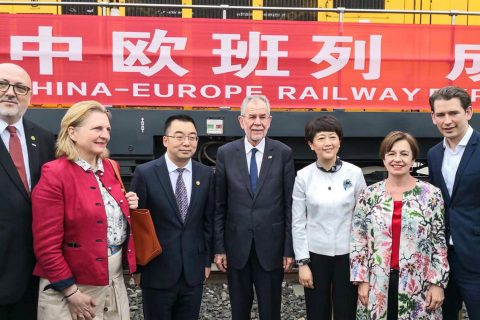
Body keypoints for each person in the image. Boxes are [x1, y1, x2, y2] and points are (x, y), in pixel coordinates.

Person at [31, 101, 138, 320]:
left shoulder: (111, 167)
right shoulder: (55, 173)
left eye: (107, 129)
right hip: (73, 288)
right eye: (97, 128)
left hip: (113, 281)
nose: (105, 135)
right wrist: (71, 291)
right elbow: (45, 244)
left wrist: (128, 203)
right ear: (73, 132)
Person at [350, 131, 449, 320]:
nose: (398, 159)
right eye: (391, 153)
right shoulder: (369, 195)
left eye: (404, 154)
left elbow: (438, 241)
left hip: (419, 283)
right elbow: (358, 239)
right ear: (384, 158)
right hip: (377, 282)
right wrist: (361, 280)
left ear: (413, 159)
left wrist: (438, 283)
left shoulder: (430, 195)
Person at [214, 95, 295, 320]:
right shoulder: (226, 153)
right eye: (252, 117)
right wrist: (219, 247)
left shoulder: (283, 153)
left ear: (269, 120)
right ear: (241, 121)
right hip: (236, 247)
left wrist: (289, 248)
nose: (257, 122)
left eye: (262, 117)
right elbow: (219, 205)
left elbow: (290, 204)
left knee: (271, 311)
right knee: (239, 312)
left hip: (271, 247)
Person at [130, 114, 214, 320]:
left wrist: (206, 261)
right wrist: (137, 267)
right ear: (165, 140)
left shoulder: (206, 174)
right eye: (179, 136)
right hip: (156, 270)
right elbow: (138, 224)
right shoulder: (145, 173)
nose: (187, 142)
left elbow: (208, 221)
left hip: (192, 273)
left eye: (193, 137)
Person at [292, 115, 366, 320]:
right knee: (317, 312)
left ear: (340, 141)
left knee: (346, 312)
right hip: (316, 255)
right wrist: (303, 263)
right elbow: (297, 222)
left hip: (348, 255)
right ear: (311, 144)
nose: (327, 143)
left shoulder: (355, 173)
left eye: (332, 137)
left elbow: (364, 219)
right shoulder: (303, 176)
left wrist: (362, 263)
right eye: (321, 138)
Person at [0, 63, 55, 320]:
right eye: (3, 84)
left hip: (35, 274)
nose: (11, 92)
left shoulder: (44, 139)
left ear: (30, 96)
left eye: (20, 88)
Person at [428, 86, 480, 320]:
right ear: (433, 117)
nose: (447, 121)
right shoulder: (434, 154)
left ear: (468, 112)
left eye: (453, 113)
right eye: (440, 115)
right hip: (443, 259)